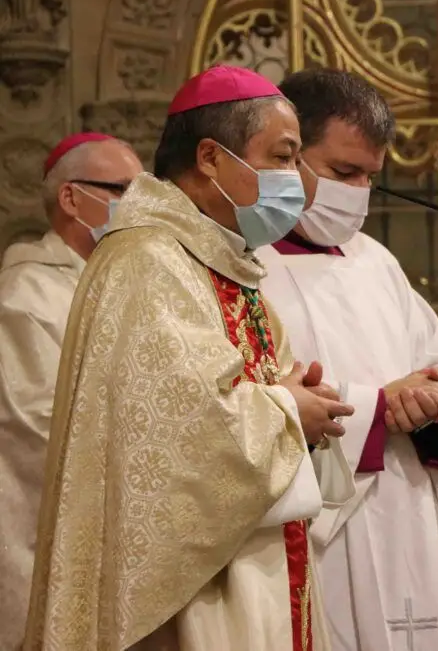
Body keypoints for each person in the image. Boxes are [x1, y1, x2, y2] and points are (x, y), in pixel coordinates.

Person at [22, 65, 355, 651]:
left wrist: (303, 402)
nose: (296, 181)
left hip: (259, 561)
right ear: (210, 158)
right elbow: (172, 439)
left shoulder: (219, 259)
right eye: (282, 157)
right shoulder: (148, 260)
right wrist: (287, 410)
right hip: (199, 592)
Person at [256, 68, 438, 651]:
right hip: (318, 540)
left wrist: (435, 405)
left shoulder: (377, 262)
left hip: (409, 529)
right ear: (289, 156)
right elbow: (248, 410)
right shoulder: (246, 266)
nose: (358, 191)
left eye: (370, 176)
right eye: (343, 173)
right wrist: (378, 409)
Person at [0, 132, 142, 651]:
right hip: (61, 545)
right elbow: (36, 432)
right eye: (123, 189)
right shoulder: (25, 298)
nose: (138, 205)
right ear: (70, 198)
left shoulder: (120, 285)